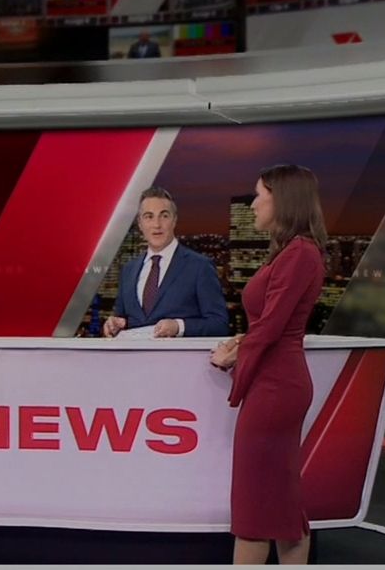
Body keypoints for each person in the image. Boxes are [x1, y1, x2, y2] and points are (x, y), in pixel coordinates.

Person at [210, 164, 327, 564]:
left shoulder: (300, 254)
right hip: (275, 384)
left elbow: (273, 325)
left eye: (260, 195)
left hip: (276, 390)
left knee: (255, 510)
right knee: (280, 504)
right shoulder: (292, 252)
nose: (253, 204)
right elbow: (268, 323)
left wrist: (232, 355)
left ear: (283, 200)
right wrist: (243, 346)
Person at [103, 187, 229, 338]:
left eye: (164, 216)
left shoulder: (200, 266)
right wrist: (116, 325)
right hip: (135, 354)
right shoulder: (128, 270)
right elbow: (126, 320)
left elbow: (219, 324)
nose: (157, 224)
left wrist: (178, 326)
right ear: (140, 223)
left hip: (178, 354)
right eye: (149, 217)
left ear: (174, 220)